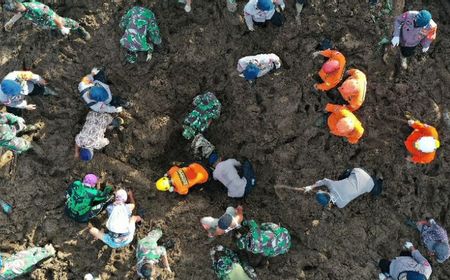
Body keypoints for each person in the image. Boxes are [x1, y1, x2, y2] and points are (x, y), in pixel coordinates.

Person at [3, 0, 90, 40]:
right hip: (44, 22)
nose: (15, 14)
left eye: (14, 12)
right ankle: (54, 29)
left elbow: (54, 17)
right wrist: (11, 21)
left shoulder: (36, 8)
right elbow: (19, 13)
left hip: (54, 20)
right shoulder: (21, 8)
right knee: (51, 27)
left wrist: (62, 28)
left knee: (70, 23)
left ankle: (80, 29)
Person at [304, 168, 383, 208]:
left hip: (370, 184)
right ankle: (378, 178)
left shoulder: (341, 204)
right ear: (325, 192)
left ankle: (380, 180)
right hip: (358, 172)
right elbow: (324, 181)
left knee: (377, 192)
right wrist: (311, 187)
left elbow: (333, 203)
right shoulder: (332, 186)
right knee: (342, 177)